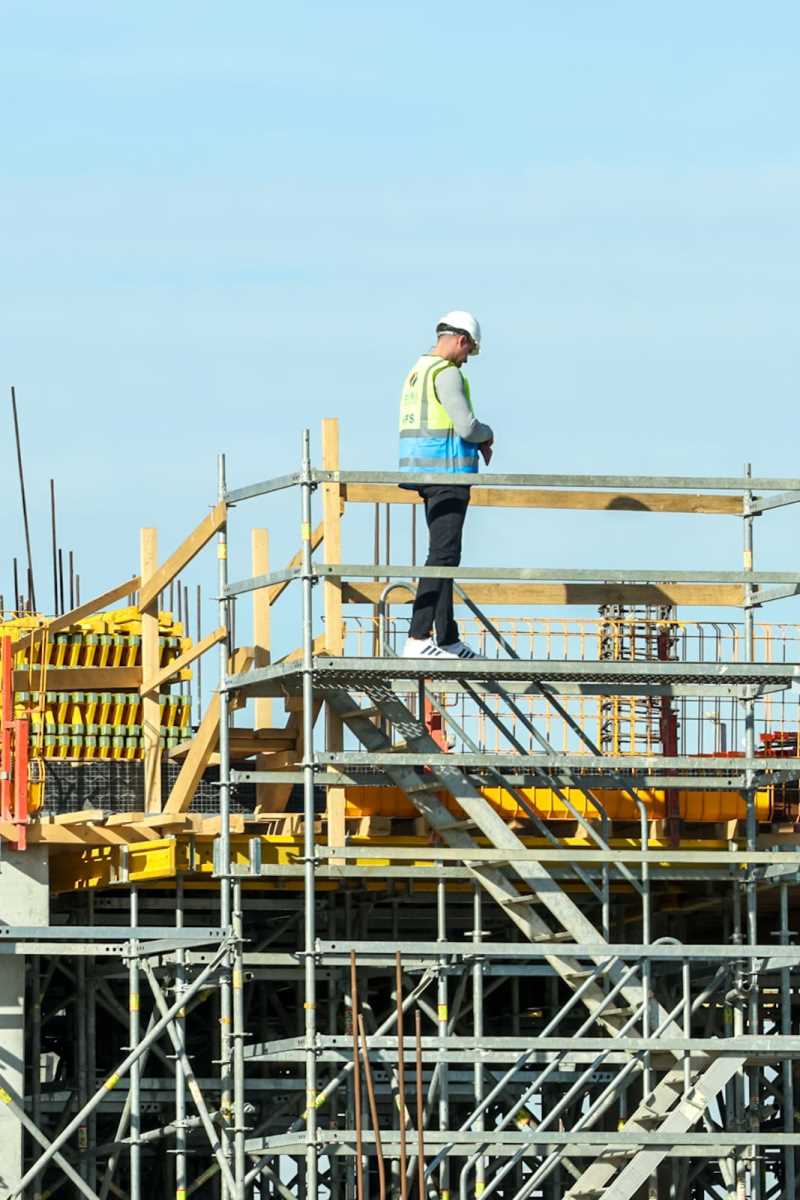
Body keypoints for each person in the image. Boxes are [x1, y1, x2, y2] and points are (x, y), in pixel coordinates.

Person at [398, 310, 494, 659]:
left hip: (425, 472)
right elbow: (467, 427)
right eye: (469, 351)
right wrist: (489, 434)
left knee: (445, 554)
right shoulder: (447, 373)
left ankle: (447, 637)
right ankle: (419, 636)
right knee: (442, 554)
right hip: (447, 471)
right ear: (461, 340)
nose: (467, 359)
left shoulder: (419, 370)